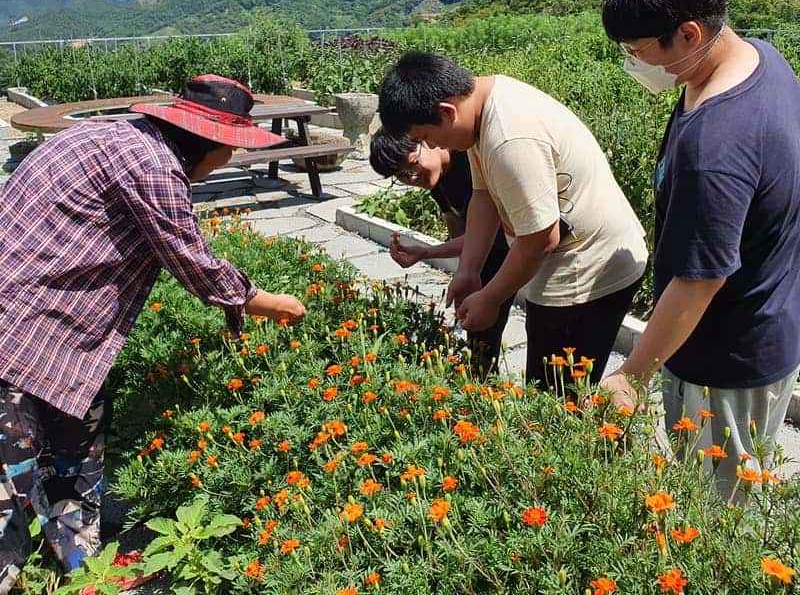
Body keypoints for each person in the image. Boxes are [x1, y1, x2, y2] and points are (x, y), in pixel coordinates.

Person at [0, 75, 306, 592]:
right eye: (229, 149)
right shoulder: (156, 167)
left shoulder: (109, 134)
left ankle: (83, 565)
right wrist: (271, 304)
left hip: (60, 328)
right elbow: (194, 263)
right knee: (9, 476)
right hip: (22, 325)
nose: (228, 161)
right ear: (208, 143)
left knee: (78, 435)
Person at [600, 0, 800, 498]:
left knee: (718, 510)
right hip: (766, 320)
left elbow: (700, 279)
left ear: (689, 34)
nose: (631, 63)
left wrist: (633, 374)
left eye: (638, 50)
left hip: (725, 358)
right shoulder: (758, 57)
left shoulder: (716, 141)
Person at [378, 52, 647, 389]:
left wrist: (491, 298)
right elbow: (484, 195)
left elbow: (540, 239)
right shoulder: (481, 106)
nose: (432, 145)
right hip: (565, 257)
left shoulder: (509, 137)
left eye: (424, 137)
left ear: (447, 112)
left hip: (586, 269)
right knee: (550, 388)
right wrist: (469, 270)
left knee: (555, 396)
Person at [369, 126, 513, 377]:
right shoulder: (436, 177)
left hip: (519, 253)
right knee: (478, 332)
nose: (412, 177)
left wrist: (427, 253)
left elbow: (486, 235)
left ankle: (486, 383)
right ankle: (482, 384)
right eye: (401, 175)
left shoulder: (469, 164)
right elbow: (458, 229)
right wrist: (463, 271)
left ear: (427, 140)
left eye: (412, 164)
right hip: (488, 257)